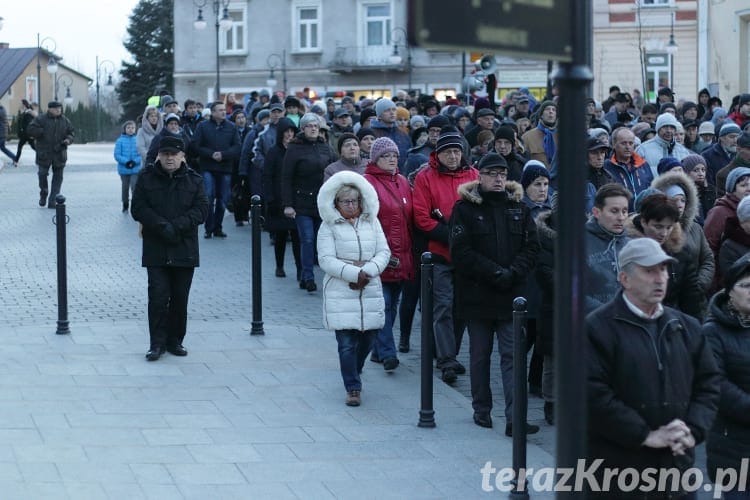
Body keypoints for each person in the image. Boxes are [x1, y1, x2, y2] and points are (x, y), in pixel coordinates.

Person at [585, 237, 719, 498]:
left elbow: (709, 383)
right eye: (649, 271)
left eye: (663, 270)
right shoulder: (597, 328)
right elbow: (591, 393)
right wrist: (644, 434)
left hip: (677, 468)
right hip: (618, 473)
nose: (660, 278)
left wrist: (693, 430)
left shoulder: (686, 326)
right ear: (624, 278)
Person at [450, 152, 540, 435]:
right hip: (478, 295)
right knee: (479, 355)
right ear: (480, 176)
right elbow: (461, 252)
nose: (498, 178)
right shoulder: (464, 209)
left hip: (511, 296)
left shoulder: (520, 208)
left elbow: (532, 247)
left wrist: (512, 272)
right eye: (492, 173)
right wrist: (494, 272)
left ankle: (515, 418)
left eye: (502, 173)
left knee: (513, 357)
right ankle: (481, 408)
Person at [130, 136, 209, 361]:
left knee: (179, 298)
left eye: (174, 154)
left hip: (184, 247)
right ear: (158, 156)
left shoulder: (194, 180)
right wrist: (161, 225)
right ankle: (156, 343)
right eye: (165, 154)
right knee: (157, 296)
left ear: (182, 156)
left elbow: (202, 209)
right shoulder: (146, 177)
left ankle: (176, 341)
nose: (169, 158)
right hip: (156, 247)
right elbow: (138, 208)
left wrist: (177, 226)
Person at [316, 170, 391, 407]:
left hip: (370, 285)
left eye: (354, 201)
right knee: (346, 342)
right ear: (336, 203)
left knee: (369, 338)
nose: (350, 205)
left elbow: (384, 252)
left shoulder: (372, 221)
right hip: (341, 289)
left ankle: (354, 371)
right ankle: (353, 387)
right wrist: (353, 272)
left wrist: (368, 270)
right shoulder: (328, 226)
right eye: (345, 201)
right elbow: (326, 259)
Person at [412, 128, 479, 383]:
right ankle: (446, 359)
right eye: (448, 152)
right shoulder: (425, 177)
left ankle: (449, 352)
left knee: (461, 308)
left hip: (467, 256)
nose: (452, 156)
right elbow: (421, 217)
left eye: (456, 151)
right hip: (440, 252)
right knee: (442, 306)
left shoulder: (473, 175)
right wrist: (450, 235)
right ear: (437, 154)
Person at [364, 137, 415, 372]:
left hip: (401, 253)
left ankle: (377, 349)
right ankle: (388, 353)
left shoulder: (403, 181)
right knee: (382, 304)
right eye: (386, 156)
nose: (392, 159)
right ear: (376, 159)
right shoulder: (367, 182)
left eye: (395, 155)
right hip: (379, 252)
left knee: (393, 304)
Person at [704, 256, 750, 499]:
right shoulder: (713, 331)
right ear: (729, 292)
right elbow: (716, 384)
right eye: (746, 286)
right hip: (733, 447)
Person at [625, 192, 705, 319]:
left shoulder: (679, 251)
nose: (664, 233)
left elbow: (691, 297)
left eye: (669, 227)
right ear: (644, 222)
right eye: (658, 227)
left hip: (673, 321)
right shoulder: (627, 249)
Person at [282, 113, 337, 292]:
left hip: (323, 202)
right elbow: (286, 177)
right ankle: (307, 276)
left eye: (316, 126)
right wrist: (288, 204)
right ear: (303, 129)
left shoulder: (325, 147)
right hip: (302, 201)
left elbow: (334, 169)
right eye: (309, 126)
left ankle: (327, 275)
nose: (313, 128)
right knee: (307, 239)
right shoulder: (294, 148)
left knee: (322, 241)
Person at [192, 101, 241, 239]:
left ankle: (218, 227)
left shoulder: (231, 127)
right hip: (208, 167)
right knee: (208, 196)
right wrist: (210, 154)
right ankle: (208, 228)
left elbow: (237, 146)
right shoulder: (203, 126)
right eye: (220, 110)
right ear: (212, 113)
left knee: (223, 199)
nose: (223, 112)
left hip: (225, 168)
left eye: (224, 110)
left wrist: (223, 155)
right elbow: (196, 145)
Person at [262, 118, 301, 280]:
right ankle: (279, 266)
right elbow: (267, 176)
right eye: (286, 132)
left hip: (296, 199)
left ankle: (300, 269)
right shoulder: (274, 152)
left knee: (298, 236)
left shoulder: (298, 149)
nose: (289, 135)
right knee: (280, 236)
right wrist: (269, 197)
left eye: (292, 132)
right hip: (278, 200)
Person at [584, 183, 632, 313]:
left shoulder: (632, 246)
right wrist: (606, 314)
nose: (621, 217)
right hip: (590, 323)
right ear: (597, 212)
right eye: (614, 211)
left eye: (624, 211)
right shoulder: (579, 243)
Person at [26, 101, 75, 208]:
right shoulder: (41, 119)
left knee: (58, 178)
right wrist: (41, 131)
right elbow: (30, 129)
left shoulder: (65, 120)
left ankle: (53, 200)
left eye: (60, 108)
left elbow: (71, 133)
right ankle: (44, 193)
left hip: (59, 154)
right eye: (56, 108)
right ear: (50, 109)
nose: (58, 110)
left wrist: (68, 140)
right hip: (44, 154)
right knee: (42, 175)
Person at [603, 127, 653, 203]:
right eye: (623, 143)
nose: (627, 147)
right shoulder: (606, 167)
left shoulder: (643, 164)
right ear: (613, 144)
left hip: (643, 213)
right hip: (620, 213)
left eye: (631, 143)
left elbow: (651, 189)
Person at [636, 113, 692, 179]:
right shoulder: (643, 150)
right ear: (658, 129)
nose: (668, 131)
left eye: (672, 127)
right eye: (665, 127)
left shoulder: (683, 151)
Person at [114, 120, 142, 213]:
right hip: (124, 169)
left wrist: (135, 162)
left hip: (135, 169)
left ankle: (135, 205)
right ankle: (125, 204)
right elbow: (117, 155)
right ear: (124, 129)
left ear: (135, 129)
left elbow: (141, 153)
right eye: (128, 128)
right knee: (125, 188)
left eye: (132, 128)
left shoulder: (138, 139)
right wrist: (126, 162)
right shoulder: (120, 140)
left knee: (135, 187)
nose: (130, 129)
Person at [521, 100, 557, 168]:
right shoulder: (528, 137)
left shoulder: (564, 137)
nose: (551, 112)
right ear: (541, 115)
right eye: (547, 109)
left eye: (554, 110)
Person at [14, 99, 37, 164]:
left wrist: (30, 134)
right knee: (33, 147)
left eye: (21, 104)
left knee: (21, 147)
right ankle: (16, 160)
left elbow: (29, 124)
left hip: (26, 134)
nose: (20, 105)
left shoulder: (28, 114)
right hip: (25, 134)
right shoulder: (25, 112)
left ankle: (16, 161)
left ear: (24, 105)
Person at [0, 103, 17, 167]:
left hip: (1, 133)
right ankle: (14, 157)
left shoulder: (1, 111)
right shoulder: (2, 109)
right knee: (3, 148)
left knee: (3, 148)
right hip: (2, 133)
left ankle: (14, 157)